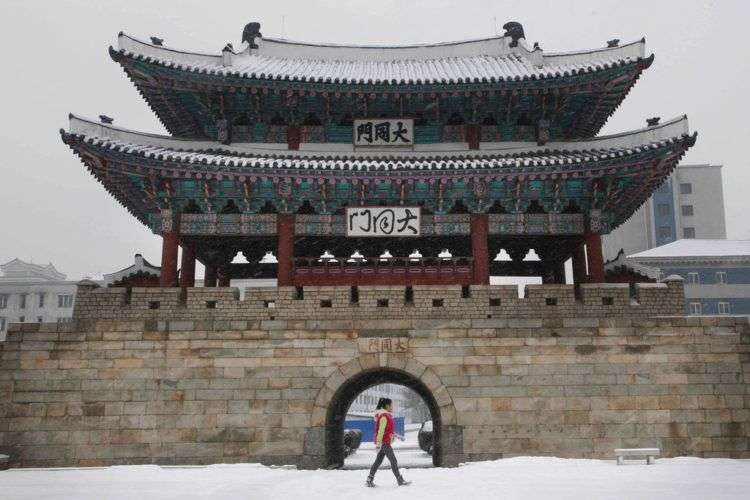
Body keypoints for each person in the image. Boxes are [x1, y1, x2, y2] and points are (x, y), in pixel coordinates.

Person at [365, 397, 410, 487]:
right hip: (384, 443)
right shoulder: (384, 416)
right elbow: (381, 431)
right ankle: (400, 480)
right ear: (387, 405)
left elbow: (388, 430)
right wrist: (378, 444)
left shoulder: (387, 416)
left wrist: (398, 436)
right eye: (391, 405)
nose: (392, 407)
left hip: (384, 442)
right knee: (393, 461)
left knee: (378, 462)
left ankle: (369, 480)